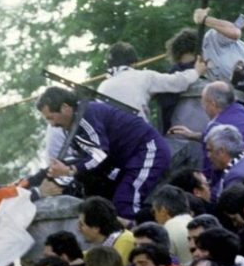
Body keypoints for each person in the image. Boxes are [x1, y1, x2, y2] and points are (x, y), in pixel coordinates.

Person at [37, 87, 171, 219]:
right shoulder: (73, 124)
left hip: (147, 151)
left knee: (125, 203)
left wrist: (70, 170)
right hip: (129, 161)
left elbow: (99, 154)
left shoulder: (85, 117)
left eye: (51, 117)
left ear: (65, 107)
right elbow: (88, 157)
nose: (52, 124)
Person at [97, 41, 206, 120]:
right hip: (135, 132)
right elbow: (177, 82)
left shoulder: (102, 86)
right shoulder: (145, 76)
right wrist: (196, 71)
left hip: (110, 139)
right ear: (133, 63)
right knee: (163, 149)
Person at [77, 196, 136, 266]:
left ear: (96, 227)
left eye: (81, 225)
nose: (78, 229)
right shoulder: (102, 245)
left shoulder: (126, 240)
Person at [204, 124, 244, 202]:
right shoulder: (240, 160)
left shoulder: (236, 176)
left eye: (210, 150)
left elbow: (226, 209)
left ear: (221, 151)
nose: (208, 155)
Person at [151, 184, 194, 265]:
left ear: (163, 211)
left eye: (154, 212)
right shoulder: (196, 224)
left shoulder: (166, 231)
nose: (155, 218)